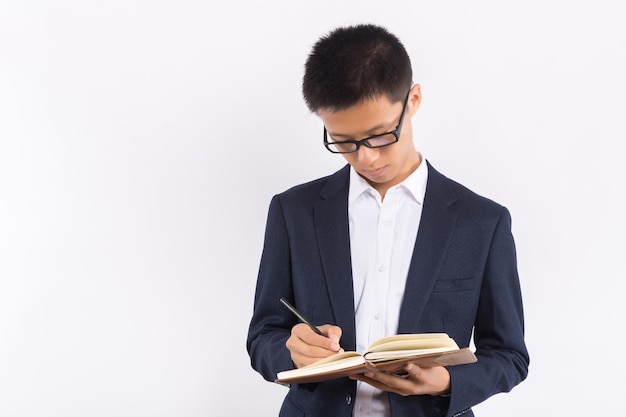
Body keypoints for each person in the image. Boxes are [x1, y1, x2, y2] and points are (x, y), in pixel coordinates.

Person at [247, 23, 529, 417]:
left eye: (380, 136)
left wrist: (447, 383)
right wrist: (291, 350)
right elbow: (263, 337)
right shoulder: (293, 211)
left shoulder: (482, 221)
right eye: (343, 141)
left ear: (413, 99)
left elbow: (510, 356)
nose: (367, 159)